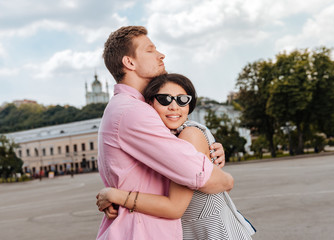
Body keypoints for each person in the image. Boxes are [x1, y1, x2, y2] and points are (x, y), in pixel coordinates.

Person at [96, 26, 234, 240]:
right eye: (150, 50)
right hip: (142, 232)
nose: (161, 55)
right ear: (129, 62)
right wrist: (209, 166)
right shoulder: (134, 112)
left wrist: (206, 149)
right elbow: (215, 181)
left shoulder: (126, 108)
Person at [97, 73, 256, 239]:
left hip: (213, 232)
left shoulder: (190, 134)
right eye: (165, 99)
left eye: (182, 100)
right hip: (189, 230)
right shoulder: (163, 141)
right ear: (149, 103)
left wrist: (114, 195)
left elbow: (174, 207)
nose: (174, 106)